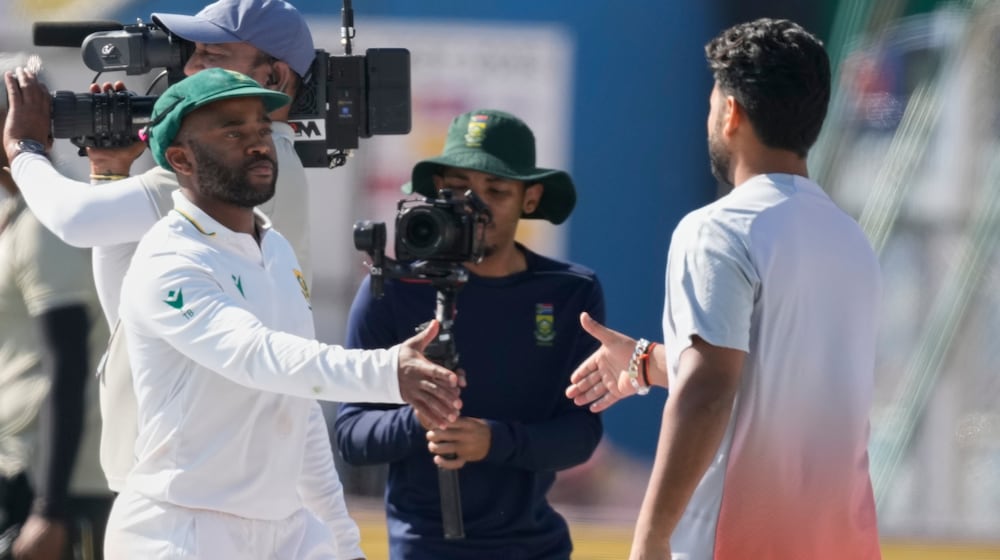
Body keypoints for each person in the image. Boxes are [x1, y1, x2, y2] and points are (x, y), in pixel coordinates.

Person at [6, 67, 462, 559]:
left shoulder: (275, 249)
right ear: (180, 158)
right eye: (232, 131)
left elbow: (300, 410)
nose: (258, 143)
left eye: (262, 129)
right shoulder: (170, 258)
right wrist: (387, 370)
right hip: (180, 533)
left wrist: (342, 543)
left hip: (285, 529)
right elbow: (257, 355)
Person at [565, 18, 882, 560]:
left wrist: (651, 535)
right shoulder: (851, 239)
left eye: (714, 102)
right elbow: (773, 378)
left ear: (730, 112)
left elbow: (709, 390)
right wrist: (648, 362)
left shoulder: (717, 228)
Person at [335, 109, 605, 559]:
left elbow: (580, 433)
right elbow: (351, 434)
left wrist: (494, 440)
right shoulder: (394, 290)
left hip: (537, 549)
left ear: (531, 198)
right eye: (456, 189)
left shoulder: (570, 292)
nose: (472, 206)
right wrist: (416, 416)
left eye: (495, 191)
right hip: (422, 549)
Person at [6, 0, 315, 327]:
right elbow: (127, 313)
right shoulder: (266, 158)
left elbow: (75, 220)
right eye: (194, 53)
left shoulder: (246, 162)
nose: (193, 68)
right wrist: (110, 173)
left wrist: (23, 148)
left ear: (275, 77)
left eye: (213, 56)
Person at [0, 54, 112, 559]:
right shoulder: (17, 212)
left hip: (62, 484)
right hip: (22, 464)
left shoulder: (49, 219)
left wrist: (51, 508)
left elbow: (68, 365)